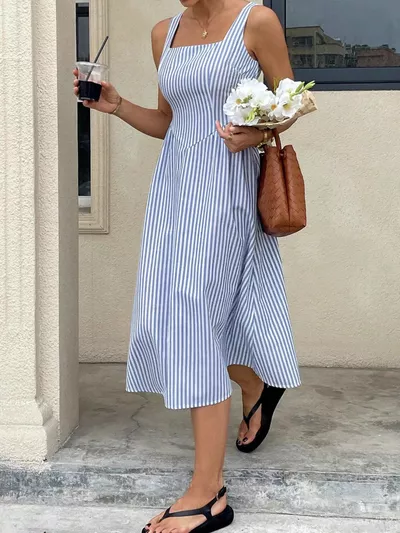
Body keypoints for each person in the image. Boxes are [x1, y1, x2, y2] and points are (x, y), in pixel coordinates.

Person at [74, 1, 301, 531]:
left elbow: (293, 100)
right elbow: (169, 122)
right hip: (174, 193)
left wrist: (258, 134)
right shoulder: (165, 32)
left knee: (193, 318)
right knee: (181, 313)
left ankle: (208, 492)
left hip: (227, 188)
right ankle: (255, 384)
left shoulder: (256, 22)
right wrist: (117, 105)